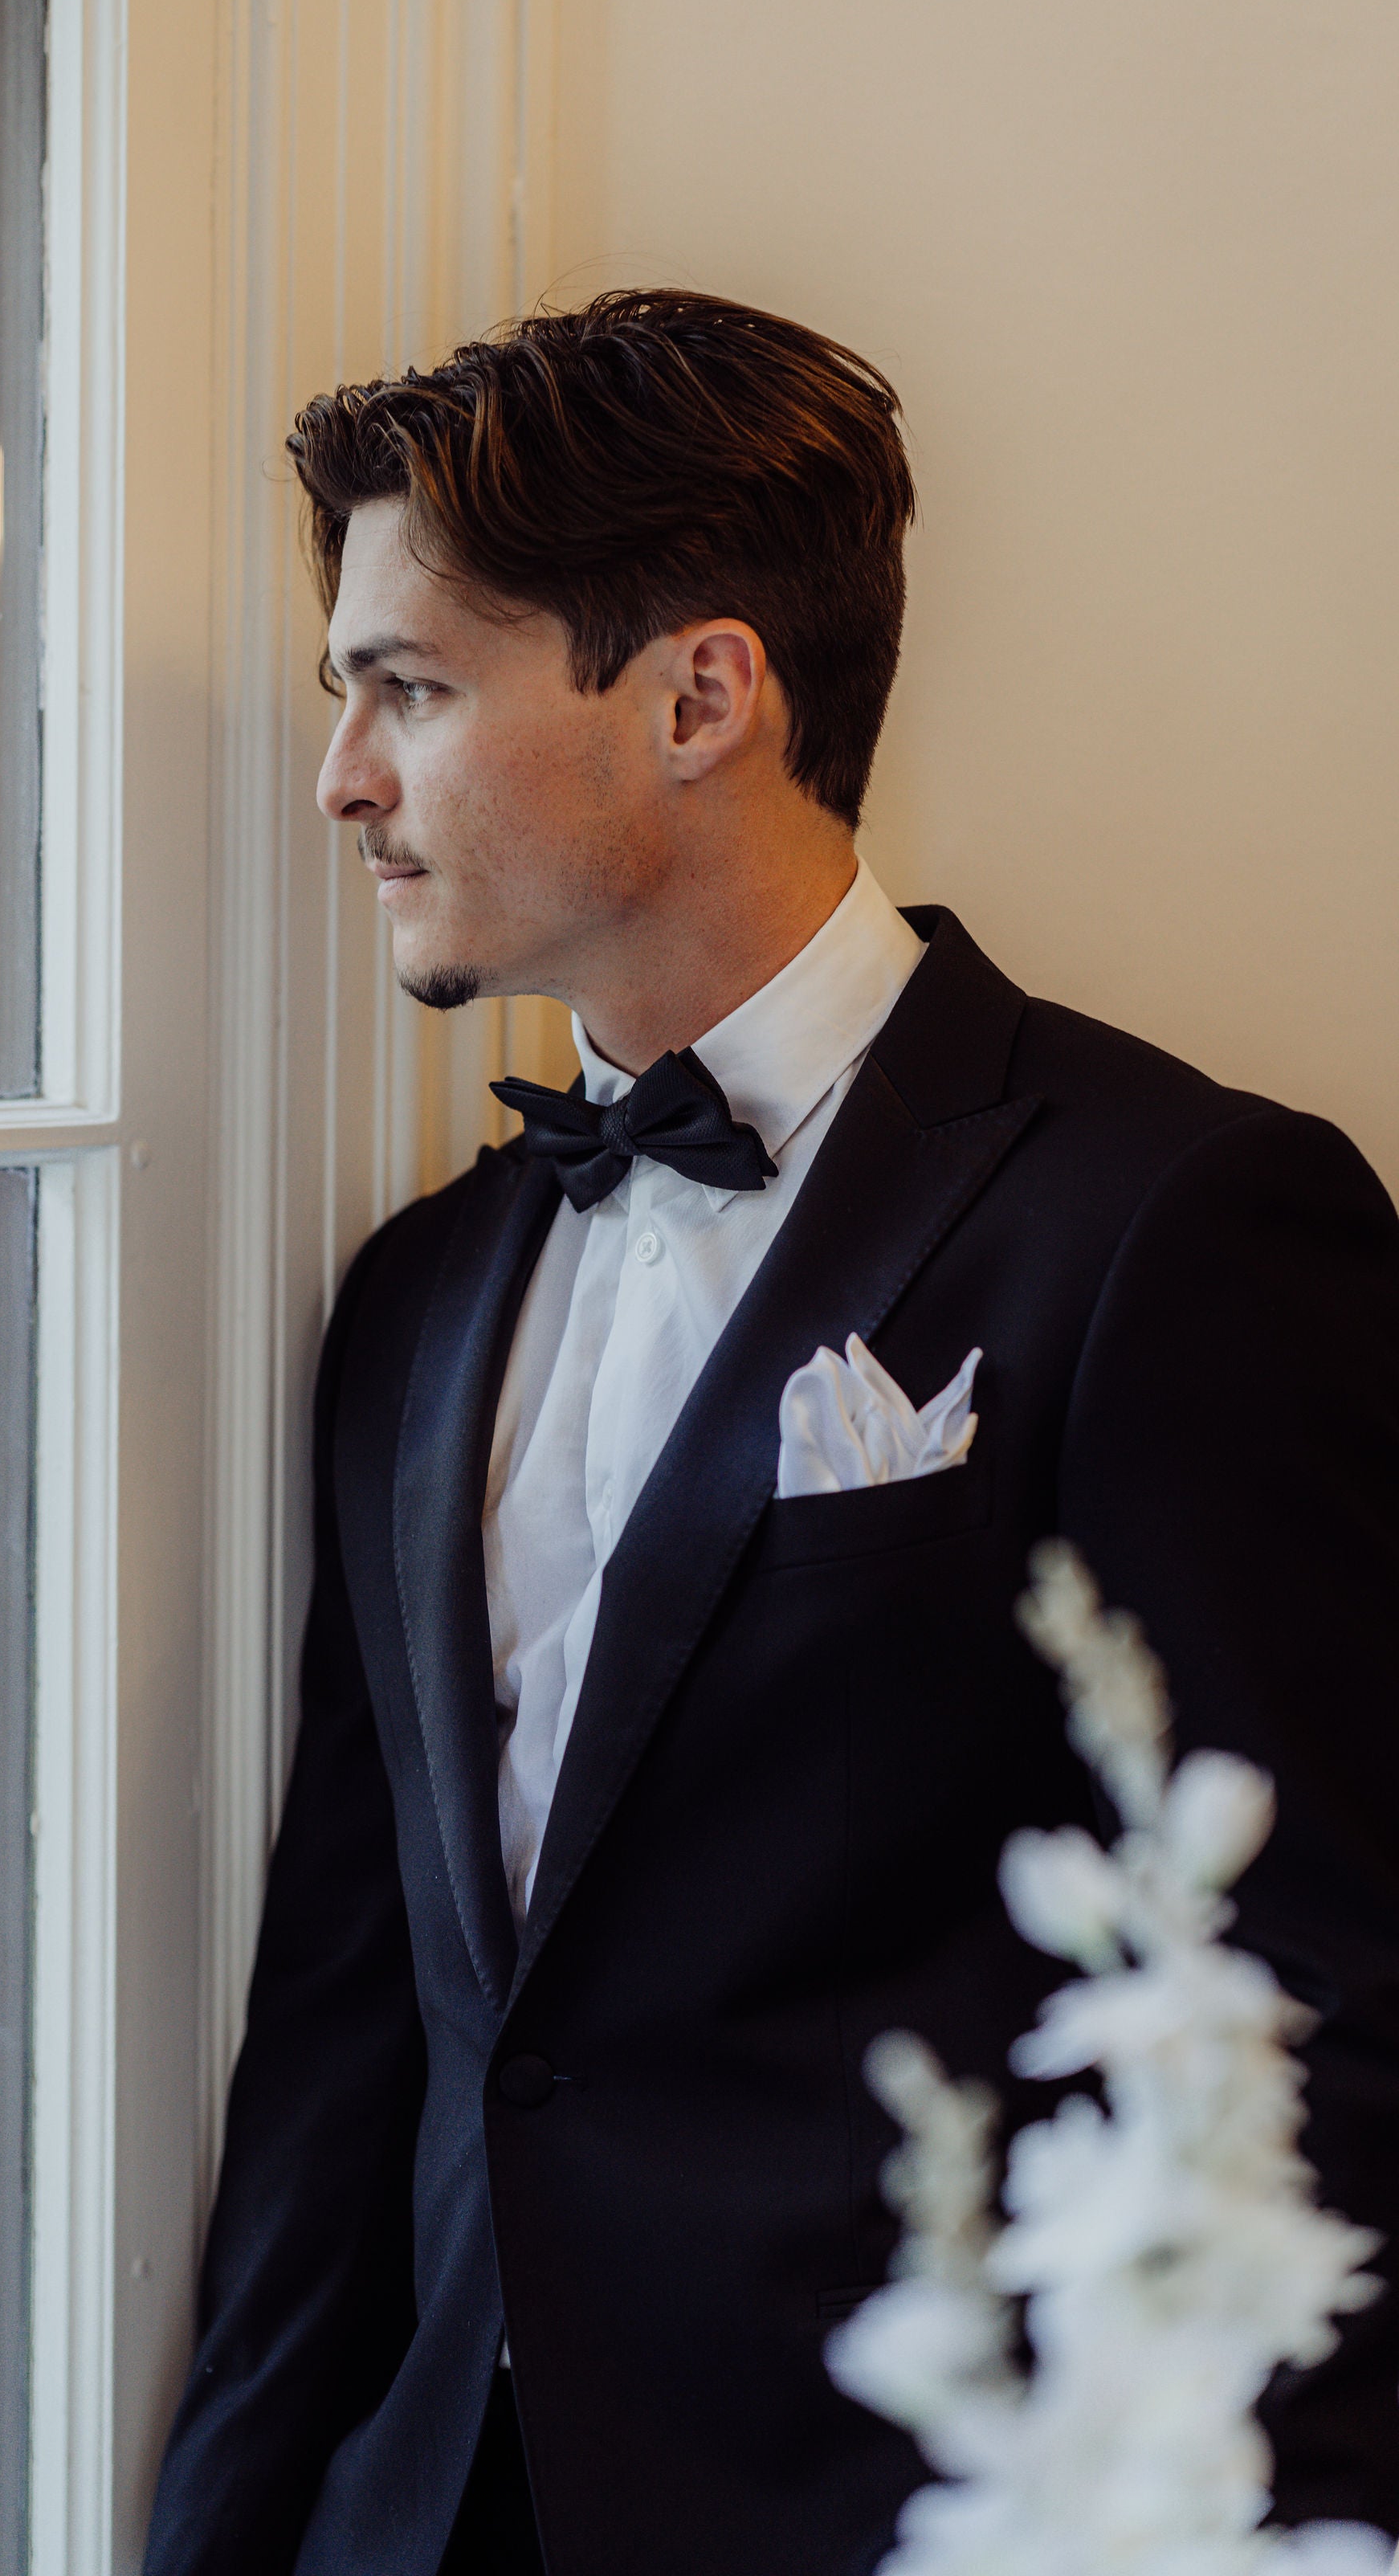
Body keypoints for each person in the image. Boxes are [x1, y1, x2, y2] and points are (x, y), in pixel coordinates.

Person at [143, 289, 1399, 2574]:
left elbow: (1330, 2007)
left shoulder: (1178, 1224)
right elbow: (347, 2035)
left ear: (702, 697)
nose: (343, 778)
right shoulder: (416, 1299)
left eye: (411, 689)